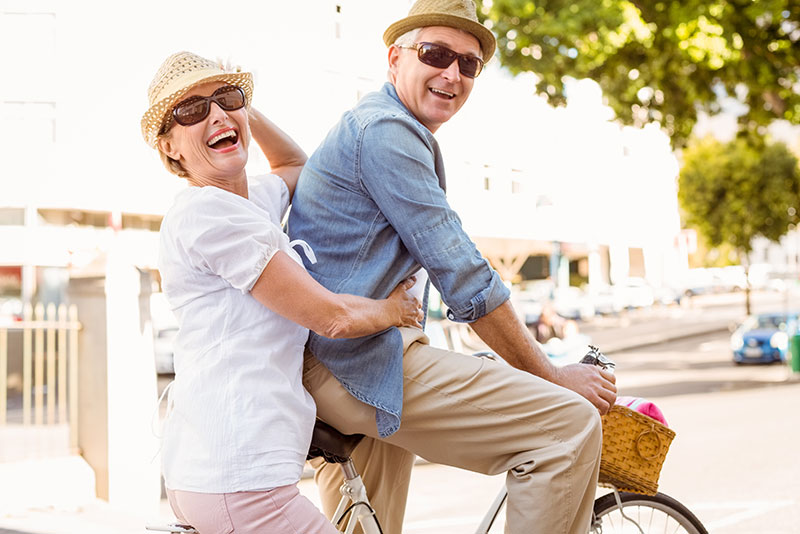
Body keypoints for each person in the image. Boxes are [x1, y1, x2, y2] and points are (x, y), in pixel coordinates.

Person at [287, 1, 618, 533]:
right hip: (357, 365)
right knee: (567, 427)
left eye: (468, 64)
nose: (452, 74)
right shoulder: (386, 133)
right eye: (436, 54)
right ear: (395, 59)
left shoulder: (371, 126)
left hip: (339, 360)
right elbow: (464, 275)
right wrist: (552, 375)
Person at [140, 51, 423, 534]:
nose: (215, 114)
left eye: (225, 99)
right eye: (190, 111)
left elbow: (295, 163)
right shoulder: (207, 213)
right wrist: (393, 310)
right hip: (238, 476)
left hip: (222, 470)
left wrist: (233, 109)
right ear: (170, 148)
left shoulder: (251, 200)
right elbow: (330, 317)